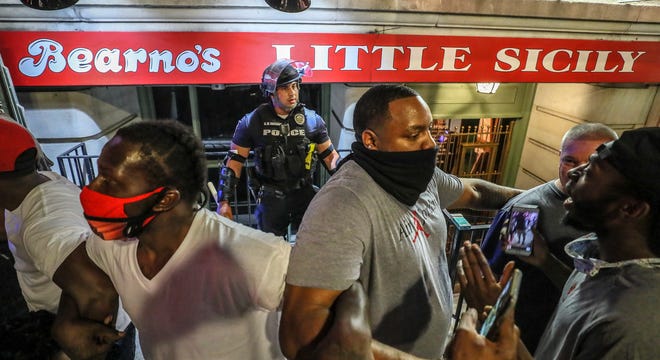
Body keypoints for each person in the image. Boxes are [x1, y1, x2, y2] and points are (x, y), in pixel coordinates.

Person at [279, 84, 523, 359]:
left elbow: (475, 192)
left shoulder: (421, 176)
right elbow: (297, 335)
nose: (429, 142)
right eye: (414, 133)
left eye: (429, 129)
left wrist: (535, 195)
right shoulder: (342, 204)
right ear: (371, 140)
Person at [53, 119, 292, 359]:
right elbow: (78, 264)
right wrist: (67, 321)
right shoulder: (110, 244)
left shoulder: (255, 255)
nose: (92, 187)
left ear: (166, 199)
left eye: (109, 180)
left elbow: (319, 315)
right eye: (98, 174)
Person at [459, 127, 660, 359]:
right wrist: (497, 315)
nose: (574, 173)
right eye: (571, 161)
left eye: (591, 170)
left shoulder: (631, 329)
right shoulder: (593, 263)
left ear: (631, 208)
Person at [477, 123, 618, 352]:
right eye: (570, 161)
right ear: (559, 157)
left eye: (591, 163)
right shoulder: (526, 209)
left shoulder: (620, 213)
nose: (578, 171)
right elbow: (493, 279)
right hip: (530, 337)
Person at [0, 115, 132, 359]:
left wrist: (69, 350)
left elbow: (99, 291)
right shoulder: (41, 183)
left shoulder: (43, 226)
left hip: (91, 346)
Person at [216, 58, 340, 238]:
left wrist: (349, 185)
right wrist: (223, 201)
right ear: (271, 92)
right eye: (285, 88)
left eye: (295, 86)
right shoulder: (252, 122)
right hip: (271, 196)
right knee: (269, 248)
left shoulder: (312, 120)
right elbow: (234, 161)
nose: (293, 93)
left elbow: (330, 158)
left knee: (315, 242)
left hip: (303, 193)